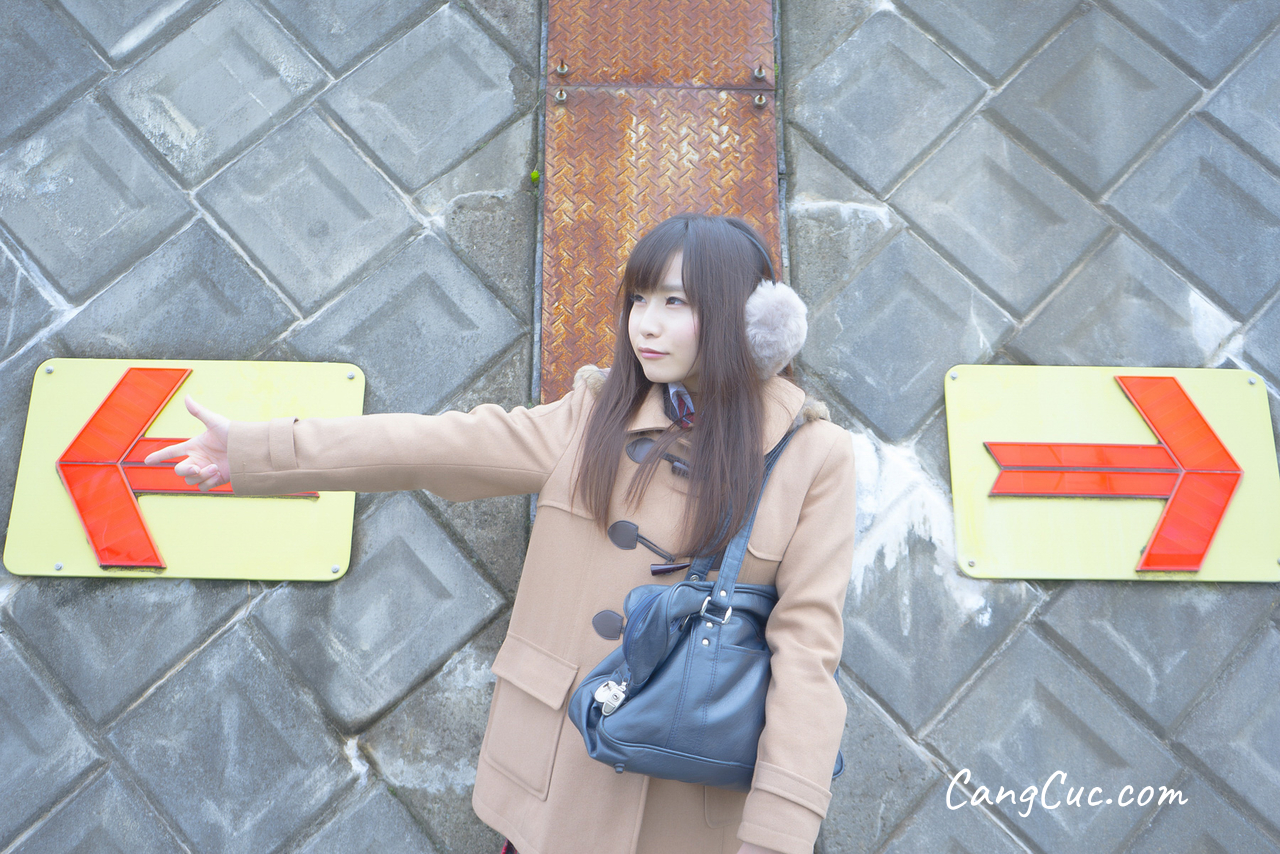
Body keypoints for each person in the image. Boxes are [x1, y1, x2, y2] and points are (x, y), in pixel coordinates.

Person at [147, 214, 856, 854]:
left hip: (688, 813)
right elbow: (433, 446)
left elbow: (807, 655)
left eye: (675, 302)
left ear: (749, 320)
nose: (645, 323)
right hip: (559, 787)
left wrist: (778, 837)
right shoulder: (594, 415)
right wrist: (259, 450)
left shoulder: (811, 457)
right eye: (639, 299)